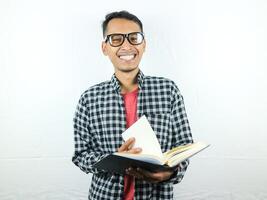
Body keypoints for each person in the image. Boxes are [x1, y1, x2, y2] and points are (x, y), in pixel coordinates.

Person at [72, 10, 193, 200]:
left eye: (134, 38)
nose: (127, 45)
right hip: (105, 195)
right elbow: (81, 155)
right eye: (116, 39)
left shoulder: (168, 90)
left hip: (156, 195)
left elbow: (184, 146)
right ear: (105, 48)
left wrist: (170, 173)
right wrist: (111, 160)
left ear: (143, 45)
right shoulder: (89, 98)